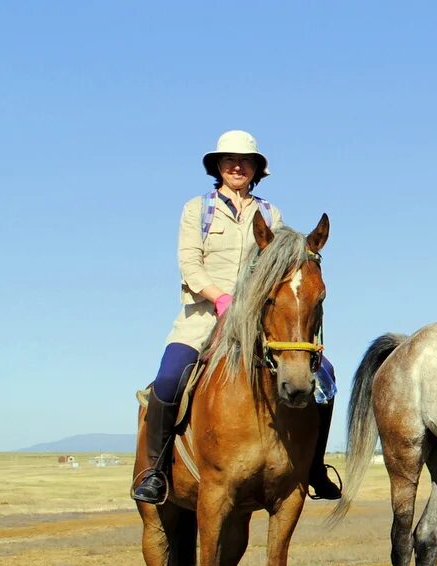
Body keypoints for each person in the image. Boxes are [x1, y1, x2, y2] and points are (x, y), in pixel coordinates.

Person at [131, 130, 341, 503]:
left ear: (257, 170)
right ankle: (155, 471)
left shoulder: (270, 214)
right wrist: (220, 297)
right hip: (202, 318)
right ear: (218, 166)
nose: (237, 166)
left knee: (325, 376)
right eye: (229, 160)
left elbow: (281, 267)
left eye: (246, 161)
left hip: (256, 321)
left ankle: (313, 467)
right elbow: (189, 264)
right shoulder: (196, 209)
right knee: (167, 379)